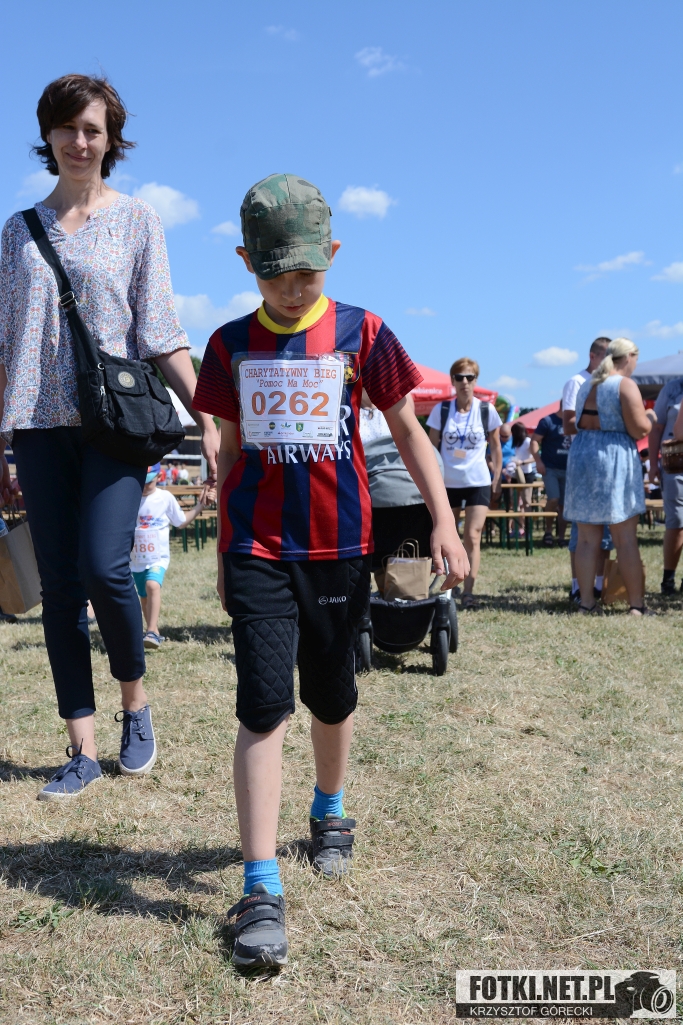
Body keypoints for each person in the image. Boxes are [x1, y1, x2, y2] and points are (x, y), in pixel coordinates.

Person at [192, 173, 468, 966]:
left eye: (306, 273)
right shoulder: (227, 345)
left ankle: (329, 807)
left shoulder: (363, 331)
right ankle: (259, 885)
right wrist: (225, 550)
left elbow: (408, 431)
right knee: (262, 704)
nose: (290, 288)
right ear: (246, 262)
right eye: (273, 273)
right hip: (257, 548)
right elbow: (230, 453)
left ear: (334, 254)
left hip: (339, 549)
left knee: (332, 693)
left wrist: (443, 521)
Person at [0, 75, 220, 800]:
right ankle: (81, 748)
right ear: (48, 134)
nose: (78, 141)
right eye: (66, 128)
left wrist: (206, 416)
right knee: (59, 586)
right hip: (37, 424)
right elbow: (5, 344)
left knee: (104, 567)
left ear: (110, 139)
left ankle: (135, 702)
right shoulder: (17, 231)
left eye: (91, 129)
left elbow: (159, 330)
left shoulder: (138, 221)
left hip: (113, 426)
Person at [564, 339, 654, 615]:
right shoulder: (624, 385)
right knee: (624, 538)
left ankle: (586, 602)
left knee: (586, 538)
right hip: (613, 456)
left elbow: (573, 422)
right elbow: (639, 429)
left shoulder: (586, 384)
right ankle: (636, 605)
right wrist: (650, 417)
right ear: (628, 357)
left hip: (583, 456)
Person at [426, 358, 502, 608]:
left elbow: (496, 447)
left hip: (477, 481)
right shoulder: (441, 410)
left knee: (473, 535)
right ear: (453, 381)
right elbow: (430, 447)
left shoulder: (486, 410)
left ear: (476, 381)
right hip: (447, 483)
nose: (464, 382)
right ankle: (450, 585)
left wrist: (497, 477)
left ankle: (468, 591)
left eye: (469, 377)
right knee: (448, 535)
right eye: (459, 377)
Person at [131, 464, 212, 649]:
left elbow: (181, 522)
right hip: (137, 559)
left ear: (159, 477)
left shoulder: (165, 498)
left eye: (149, 482)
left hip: (158, 558)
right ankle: (154, 631)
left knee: (152, 585)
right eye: (142, 481)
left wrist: (200, 506)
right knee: (144, 596)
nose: (145, 486)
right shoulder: (131, 498)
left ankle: (151, 631)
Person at [562, 336, 612, 601]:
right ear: (593, 356)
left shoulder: (612, 382)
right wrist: (606, 422)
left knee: (606, 530)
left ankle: (600, 585)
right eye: (607, 356)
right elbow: (568, 424)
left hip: (606, 462)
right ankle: (578, 587)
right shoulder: (577, 381)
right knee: (581, 531)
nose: (611, 362)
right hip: (583, 463)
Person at [648, 376, 683, 594]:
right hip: (675, 464)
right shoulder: (672, 389)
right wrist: (653, 464)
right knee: (676, 520)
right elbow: (656, 428)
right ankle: (668, 579)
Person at [530, 402, 571, 546]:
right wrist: (538, 461)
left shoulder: (574, 422)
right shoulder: (548, 421)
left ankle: (562, 537)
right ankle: (548, 531)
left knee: (564, 505)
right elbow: (534, 441)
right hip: (550, 468)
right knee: (553, 499)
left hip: (569, 469)